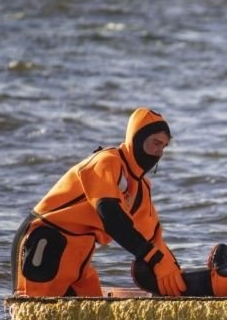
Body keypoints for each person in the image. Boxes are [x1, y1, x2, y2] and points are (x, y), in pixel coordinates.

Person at [11, 107, 187, 297]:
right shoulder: (107, 162)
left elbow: (153, 239)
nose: (159, 152)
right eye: (155, 143)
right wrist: (152, 257)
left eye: (163, 146)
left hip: (79, 257)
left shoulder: (141, 188)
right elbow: (110, 216)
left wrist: (173, 271)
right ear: (136, 138)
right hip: (45, 242)